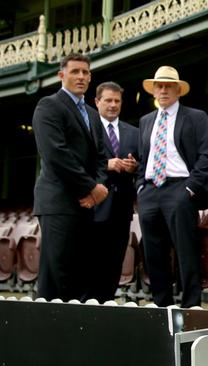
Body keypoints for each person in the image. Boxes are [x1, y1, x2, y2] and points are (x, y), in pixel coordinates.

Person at [136, 66, 208, 308]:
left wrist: (190, 188)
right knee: (153, 253)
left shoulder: (195, 117)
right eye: (158, 86)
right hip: (150, 190)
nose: (163, 90)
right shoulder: (146, 121)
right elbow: (144, 157)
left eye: (168, 86)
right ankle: (161, 305)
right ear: (153, 91)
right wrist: (141, 186)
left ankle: (190, 305)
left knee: (185, 250)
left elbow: (207, 155)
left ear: (177, 90)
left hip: (180, 188)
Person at [32, 53, 109, 301]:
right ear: (61, 75)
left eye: (85, 72)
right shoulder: (49, 105)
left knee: (79, 276)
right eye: (75, 71)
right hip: (58, 202)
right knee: (57, 275)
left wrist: (98, 188)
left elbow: (100, 156)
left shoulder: (93, 114)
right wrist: (89, 187)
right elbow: (56, 153)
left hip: (85, 205)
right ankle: (44, 331)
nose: (81, 77)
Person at [89, 81, 139, 302]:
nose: (112, 105)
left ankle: (107, 304)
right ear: (97, 102)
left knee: (114, 261)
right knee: (92, 261)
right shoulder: (87, 129)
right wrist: (106, 164)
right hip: (94, 206)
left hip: (122, 208)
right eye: (108, 100)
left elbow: (143, 165)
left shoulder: (134, 132)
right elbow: (78, 163)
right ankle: (88, 304)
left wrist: (134, 167)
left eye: (117, 101)